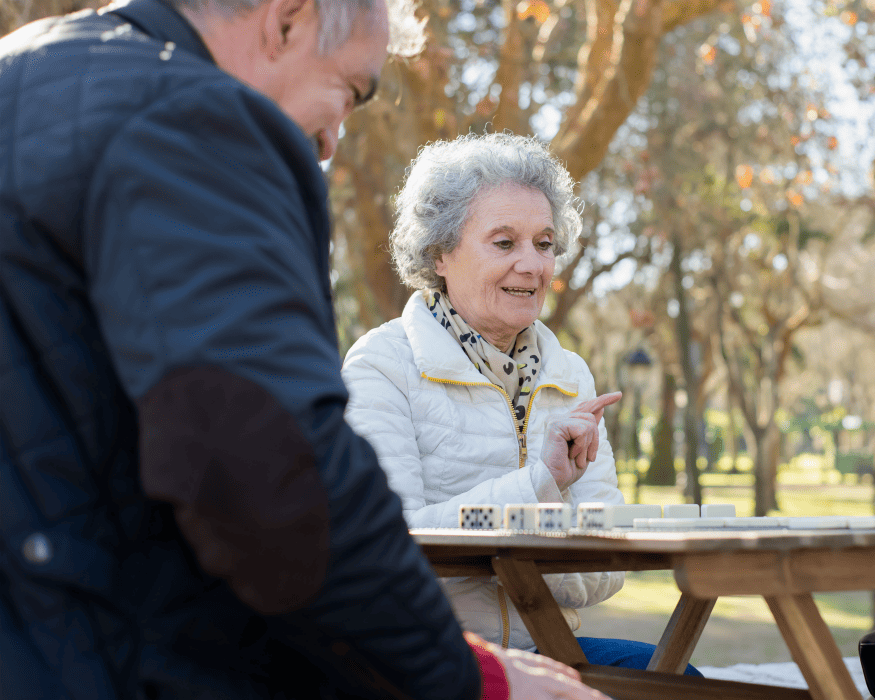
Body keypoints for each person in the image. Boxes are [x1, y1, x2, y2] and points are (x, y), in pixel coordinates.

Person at [0, 0, 607, 698]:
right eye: (348, 90)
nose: (330, 143)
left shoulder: (23, 70)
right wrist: (469, 676)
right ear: (287, 18)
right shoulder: (202, 123)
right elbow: (270, 472)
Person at [341, 132, 701, 675]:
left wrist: (533, 551)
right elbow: (391, 541)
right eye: (504, 243)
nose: (532, 266)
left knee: (678, 682)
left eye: (545, 243)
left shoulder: (569, 373)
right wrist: (542, 488)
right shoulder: (382, 365)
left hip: (547, 652)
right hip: (426, 661)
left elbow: (609, 569)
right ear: (440, 252)